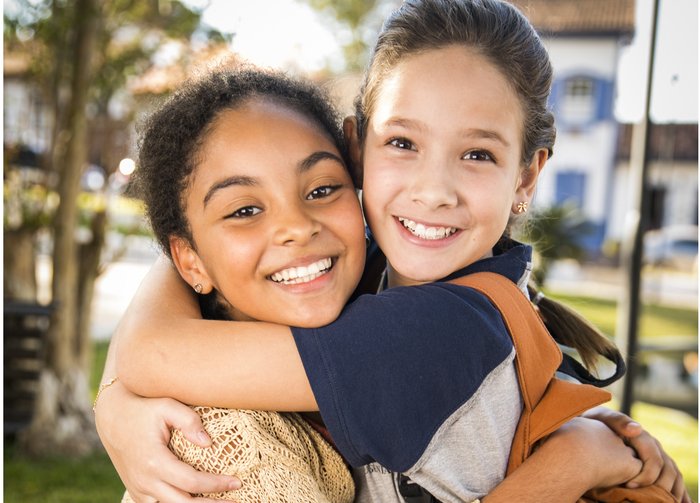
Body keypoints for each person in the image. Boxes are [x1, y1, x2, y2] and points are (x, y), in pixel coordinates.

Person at [97, 0, 690, 502]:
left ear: (526, 178)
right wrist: (117, 404)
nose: (433, 191)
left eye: (478, 154)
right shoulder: (384, 277)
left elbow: (153, 352)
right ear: (358, 149)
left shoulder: (436, 329)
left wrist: (573, 466)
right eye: (402, 142)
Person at [114, 67, 368, 502]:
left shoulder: (394, 295)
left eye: (323, 188)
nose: (296, 227)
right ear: (190, 263)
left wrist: (113, 399)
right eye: (245, 211)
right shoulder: (226, 452)